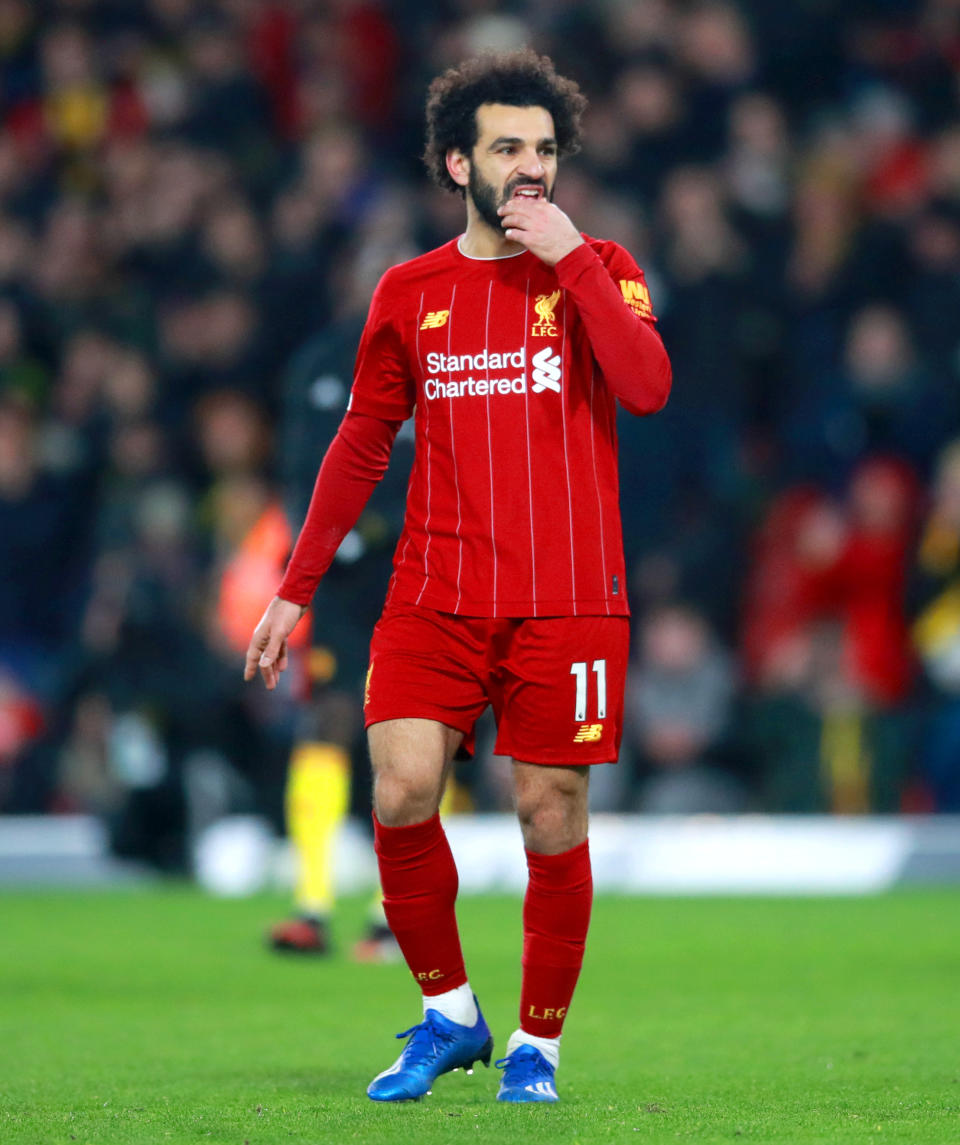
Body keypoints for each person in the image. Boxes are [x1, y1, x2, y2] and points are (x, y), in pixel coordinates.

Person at [244, 50, 671, 1105]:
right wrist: (295, 585)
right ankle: (448, 1013)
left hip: (569, 593)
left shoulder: (602, 265)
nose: (531, 169)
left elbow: (650, 386)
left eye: (544, 150)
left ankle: (538, 1043)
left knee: (549, 813)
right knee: (395, 789)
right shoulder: (410, 292)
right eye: (507, 149)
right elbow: (357, 441)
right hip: (432, 589)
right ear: (456, 163)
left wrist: (570, 255)